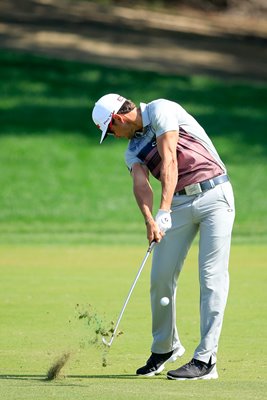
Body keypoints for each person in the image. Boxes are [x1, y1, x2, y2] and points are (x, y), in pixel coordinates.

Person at [92, 93, 235, 380]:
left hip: (214, 195)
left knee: (211, 278)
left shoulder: (161, 109)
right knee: (160, 277)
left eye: (112, 131)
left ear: (119, 119)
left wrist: (164, 209)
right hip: (178, 205)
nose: (116, 136)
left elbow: (169, 158)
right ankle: (165, 347)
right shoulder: (132, 150)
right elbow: (141, 183)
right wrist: (150, 220)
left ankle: (206, 359)